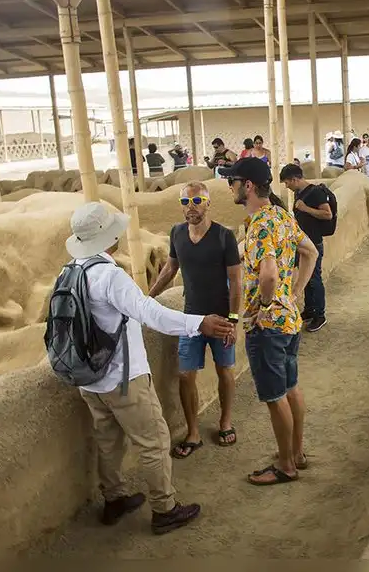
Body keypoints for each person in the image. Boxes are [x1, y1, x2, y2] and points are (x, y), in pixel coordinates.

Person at [61, 201, 235, 534]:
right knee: (154, 441)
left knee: (108, 441)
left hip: (88, 379)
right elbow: (148, 313)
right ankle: (165, 509)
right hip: (123, 378)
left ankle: (114, 499)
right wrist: (198, 323)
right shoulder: (109, 276)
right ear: (108, 238)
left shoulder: (69, 272)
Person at [218, 157, 319, 486]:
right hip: (288, 320)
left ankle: (286, 466)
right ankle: (296, 453)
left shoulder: (260, 224)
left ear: (247, 186)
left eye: (232, 182)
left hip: (268, 326)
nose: (230, 187)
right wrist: (294, 293)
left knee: (275, 396)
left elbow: (269, 274)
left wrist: (263, 306)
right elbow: (310, 252)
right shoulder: (281, 215)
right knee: (291, 388)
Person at [148, 182, 242, 458]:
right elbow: (171, 267)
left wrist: (233, 320)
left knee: (225, 371)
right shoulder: (177, 233)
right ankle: (193, 432)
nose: (191, 207)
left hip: (221, 317)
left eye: (197, 201)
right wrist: (148, 298)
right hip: (190, 318)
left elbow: (236, 281)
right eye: (185, 202)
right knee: (185, 375)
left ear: (208, 203)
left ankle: (225, 422)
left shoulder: (224, 236)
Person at [280, 163, 331, 332]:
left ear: (295, 179)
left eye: (287, 182)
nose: (286, 186)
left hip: (313, 243)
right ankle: (310, 310)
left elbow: (327, 214)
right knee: (306, 277)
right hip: (303, 243)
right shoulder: (299, 193)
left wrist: (306, 208)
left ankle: (320, 315)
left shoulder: (316, 192)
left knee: (314, 279)